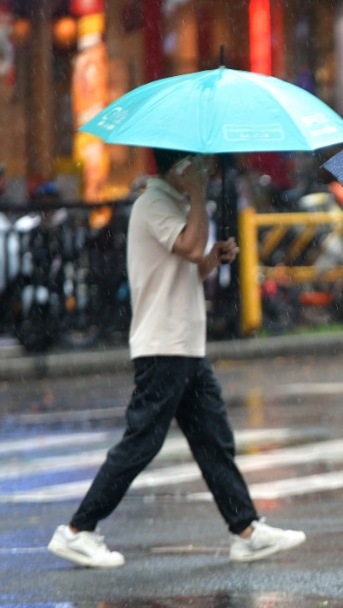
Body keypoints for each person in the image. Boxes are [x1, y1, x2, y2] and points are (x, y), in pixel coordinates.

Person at [48, 148, 306, 569]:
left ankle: (246, 530)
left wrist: (212, 260)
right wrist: (201, 199)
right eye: (197, 164)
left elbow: (186, 265)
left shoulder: (170, 204)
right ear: (179, 167)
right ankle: (77, 530)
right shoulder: (153, 204)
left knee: (213, 439)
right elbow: (188, 245)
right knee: (141, 442)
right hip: (163, 346)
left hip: (185, 344)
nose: (203, 170)